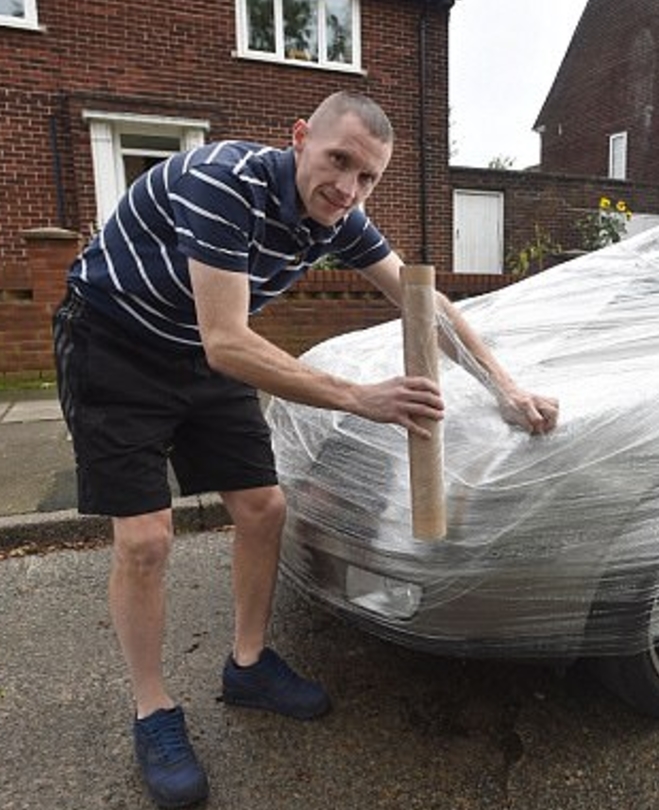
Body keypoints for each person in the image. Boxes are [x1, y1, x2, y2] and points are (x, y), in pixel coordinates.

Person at [52, 91, 558, 809]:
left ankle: (249, 665)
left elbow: (426, 304)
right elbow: (227, 341)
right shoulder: (221, 184)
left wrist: (505, 389)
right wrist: (359, 398)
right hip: (114, 346)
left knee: (263, 508)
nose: (347, 188)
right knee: (145, 540)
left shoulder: (340, 217)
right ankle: (153, 710)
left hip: (202, 352)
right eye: (337, 161)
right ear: (299, 139)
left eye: (367, 177)